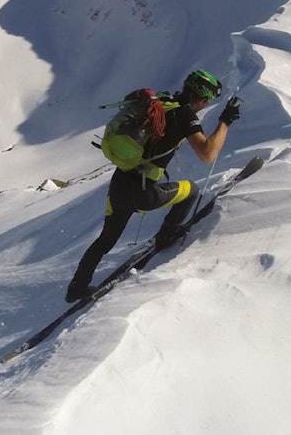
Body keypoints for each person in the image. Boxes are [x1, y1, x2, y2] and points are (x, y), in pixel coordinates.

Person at [66, 69, 241, 302]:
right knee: (192, 191)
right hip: (142, 193)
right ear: (200, 98)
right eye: (206, 100)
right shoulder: (184, 115)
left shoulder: (163, 102)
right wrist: (225, 121)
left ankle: (76, 287)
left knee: (106, 240)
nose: (205, 105)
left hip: (119, 186)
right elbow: (208, 154)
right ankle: (166, 236)